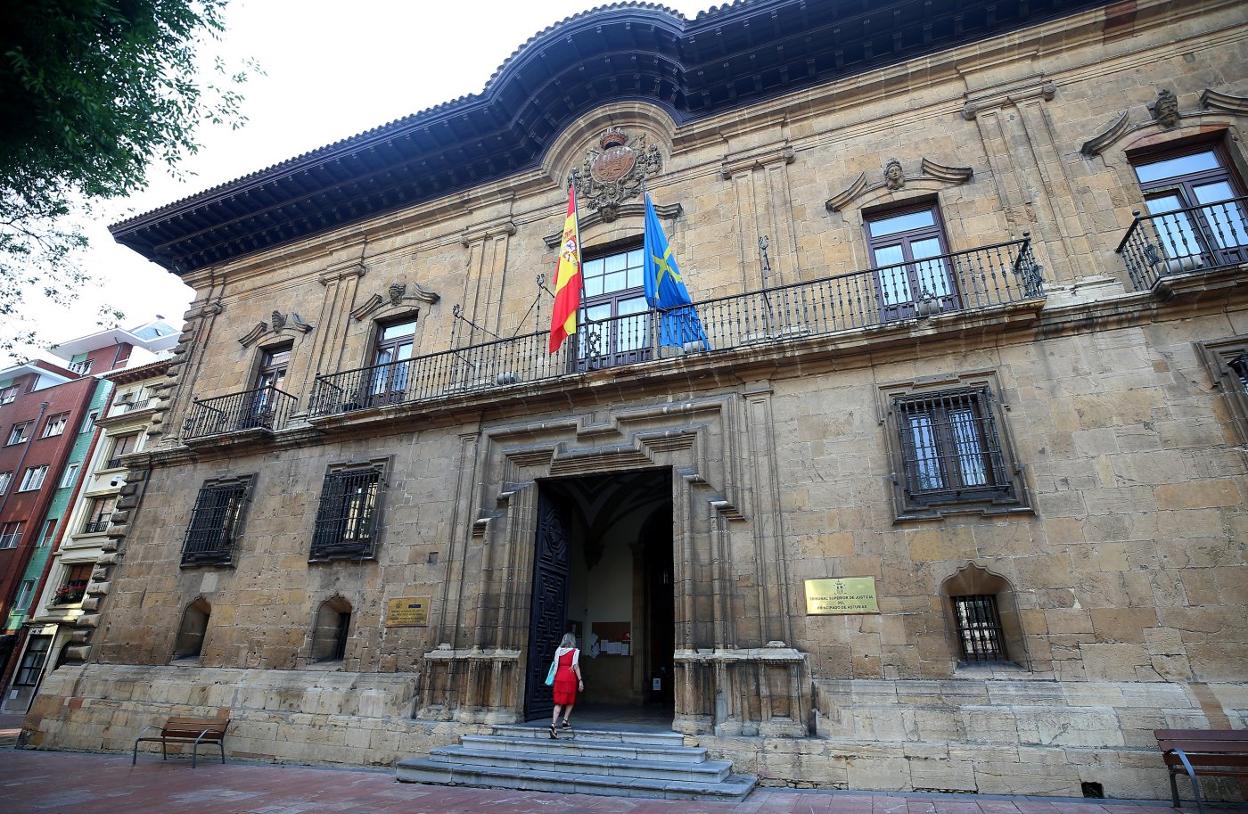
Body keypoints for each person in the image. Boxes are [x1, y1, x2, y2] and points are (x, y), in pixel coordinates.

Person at [549, 632, 583, 738]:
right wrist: (580, 680)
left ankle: (553, 725)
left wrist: (554, 678)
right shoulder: (575, 651)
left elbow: (555, 665)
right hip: (569, 676)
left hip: (559, 676)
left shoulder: (558, 651)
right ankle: (565, 720)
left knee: (558, 702)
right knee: (570, 700)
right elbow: (575, 666)